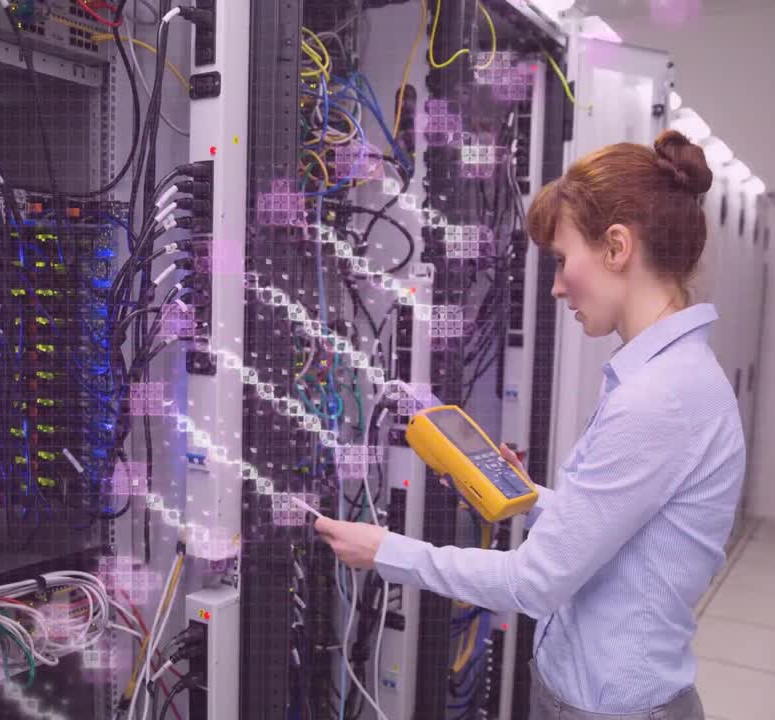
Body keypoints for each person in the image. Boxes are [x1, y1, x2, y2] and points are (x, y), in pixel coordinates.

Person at [315, 129, 745, 720]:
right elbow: (627, 527)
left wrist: (385, 550)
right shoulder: (671, 377)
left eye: (565, 260)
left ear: (617, 247)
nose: (558, 284)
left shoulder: (659, 398)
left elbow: (534, 582)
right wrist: (534, 498)